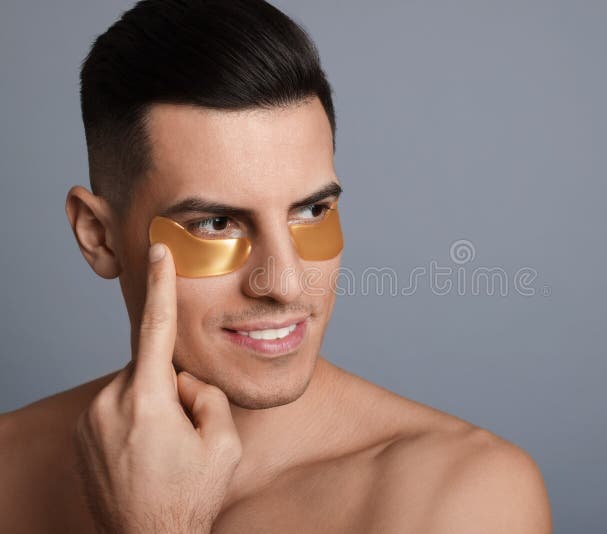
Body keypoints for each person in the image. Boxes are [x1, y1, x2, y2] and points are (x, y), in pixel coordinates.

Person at [0, 1, 552, 531]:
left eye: (312, 210)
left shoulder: (464, 497)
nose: (284, 282)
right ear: (98, 237)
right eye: (215, 224)